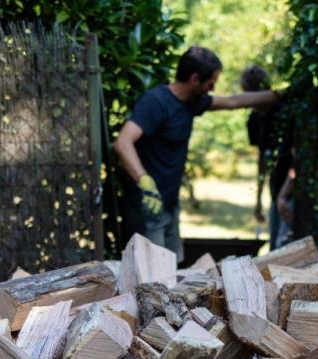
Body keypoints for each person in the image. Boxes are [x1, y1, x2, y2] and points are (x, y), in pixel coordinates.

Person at [114, 47, 280, 262]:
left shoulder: (192, 103)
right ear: (194, 79)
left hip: (170, 203)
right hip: (148, 206)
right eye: (211, 82)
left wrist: (281, 94)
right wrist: (145, 182)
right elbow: (123, 142)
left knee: (173, 266)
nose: (213, 88)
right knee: (151, 274)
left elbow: (232, 102)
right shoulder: (155, 103)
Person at [240, 65, 294, 250]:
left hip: (292, 191)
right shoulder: (254, 120)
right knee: (274, 248)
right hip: (276, 190)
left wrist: (285, 194)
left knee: (285, 247)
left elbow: (297, 158)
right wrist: (258, 199)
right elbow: (262, 159)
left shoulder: (286, 113)